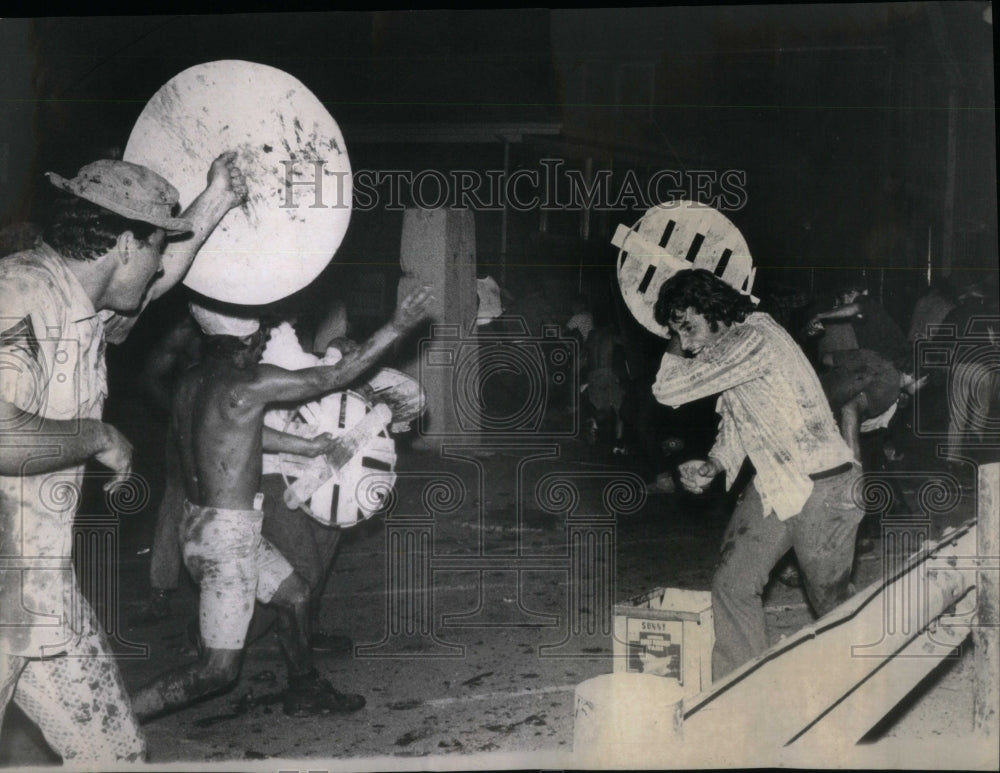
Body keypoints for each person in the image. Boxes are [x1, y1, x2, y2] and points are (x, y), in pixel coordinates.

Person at [0, 153, 245, 763]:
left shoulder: (85, 305)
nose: (161, 264)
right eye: (157, 246)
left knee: (115, 757)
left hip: (39, 587)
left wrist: (215, 198)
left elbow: (154, 285)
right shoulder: (21, 295)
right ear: (126, 244)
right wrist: (98, 436)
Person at [130, 287, 432, 721]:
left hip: (201, 525)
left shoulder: (192, 382)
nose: (263, 344)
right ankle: (117, 720)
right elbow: (334, 377)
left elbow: (234, 435)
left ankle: (304, 688)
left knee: (294, 596)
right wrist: (397, 326)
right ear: (249, 340)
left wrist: (305, 447)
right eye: (261, 337)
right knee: (216, 672)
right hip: (226, 542)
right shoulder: (250, 382)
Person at [651, 269, 863, 679]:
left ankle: (858, 691)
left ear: (712, 308)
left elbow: (668, 390)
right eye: (682, 333)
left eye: (689, 327)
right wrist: (716, 463)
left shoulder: (753, 338)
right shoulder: (733, 348)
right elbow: (737, 421)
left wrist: (673, 340)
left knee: (831, 604)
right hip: (776, 481)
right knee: (732, 585)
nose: (690, 342)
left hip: (826, 484)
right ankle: (741, 689)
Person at [134, 313, 204, 623]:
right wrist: (180, 414)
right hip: (186, 430)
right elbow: (150, 377)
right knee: (175, 502)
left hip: (234, 425)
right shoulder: (185, 329)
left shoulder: (254, 322)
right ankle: (159, 594)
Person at [806, 280, 909, 370]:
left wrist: (820, 316)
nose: (846, 300)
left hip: (897, 362)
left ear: (865, 292)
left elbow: (855, 308)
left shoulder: (868, 303)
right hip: (884, 362)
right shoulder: (856, 318)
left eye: (850, 294)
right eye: (843, 296)